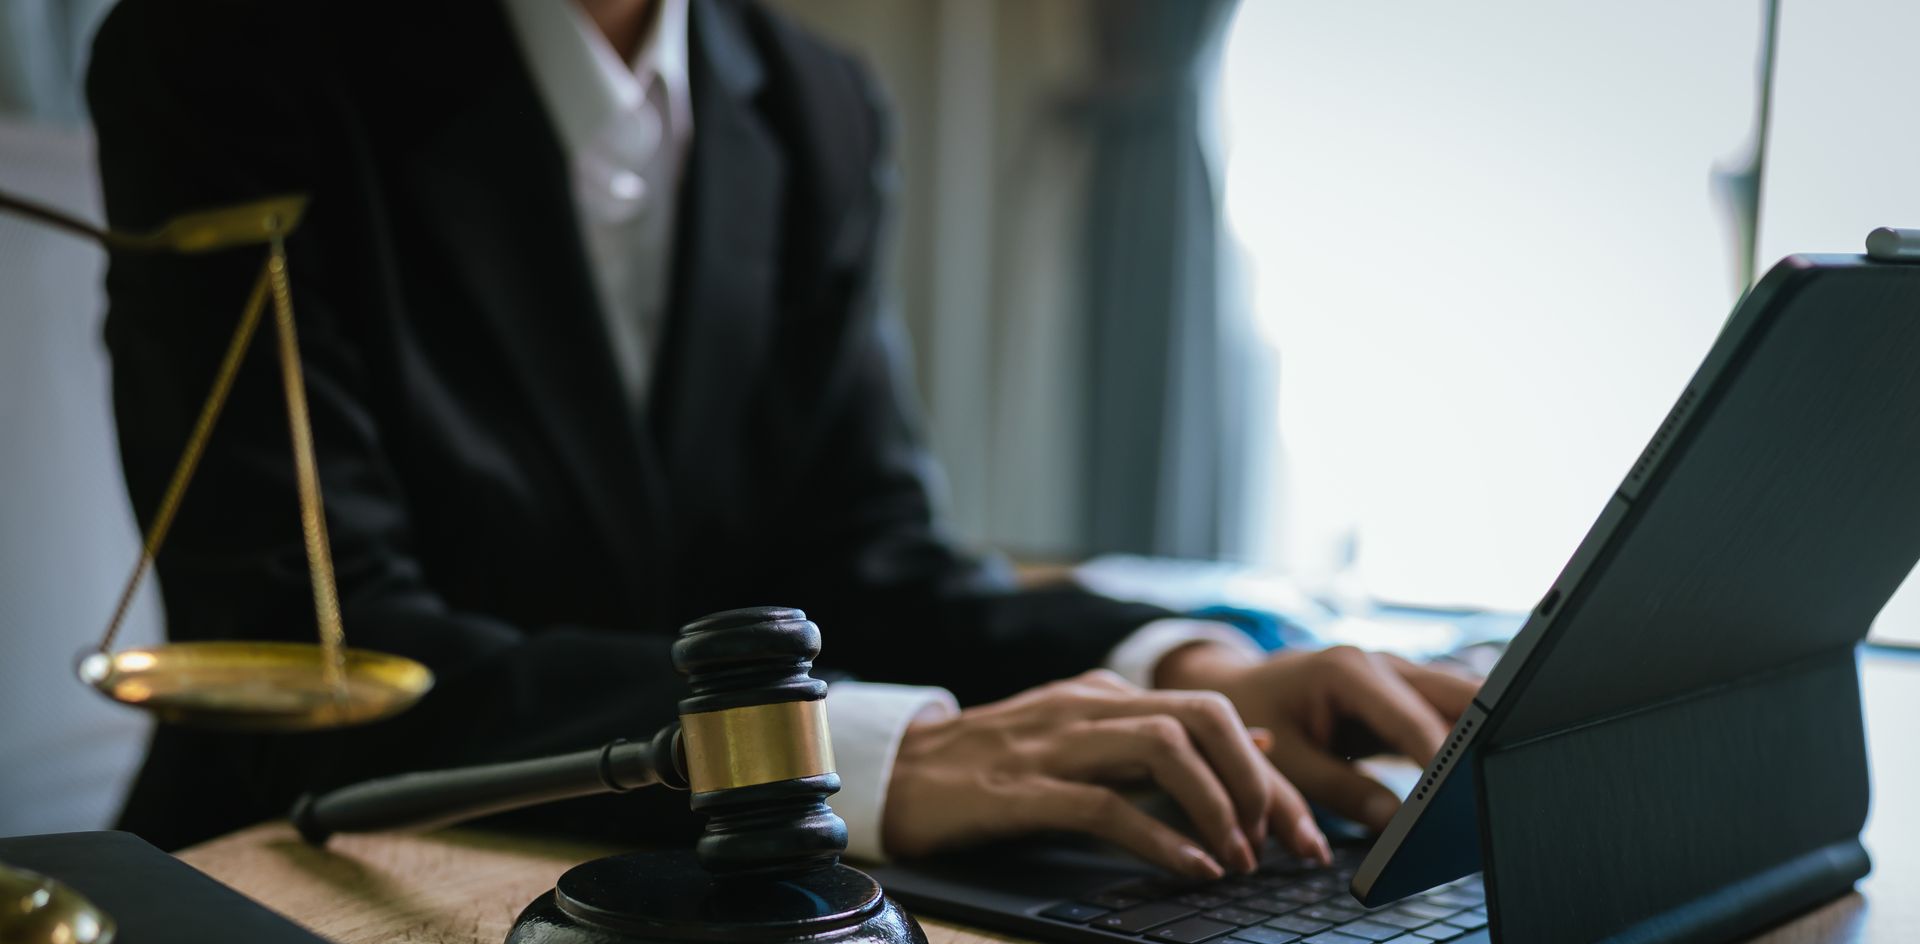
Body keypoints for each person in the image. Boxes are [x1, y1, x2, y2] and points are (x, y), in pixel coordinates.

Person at [88, 0, 1476, 871]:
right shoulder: (223, 50)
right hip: (302, 875)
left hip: (697, 891)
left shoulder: (808, 99)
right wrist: (840, 756)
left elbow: (866, 562)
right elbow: (311, 655)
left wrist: (1195, 665)